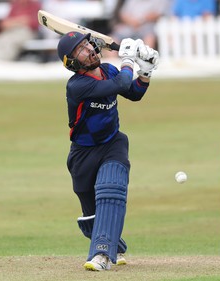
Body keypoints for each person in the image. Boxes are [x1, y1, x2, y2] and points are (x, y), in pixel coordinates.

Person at [56, 31, 158, 271]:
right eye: (80, 49)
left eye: (87, 44)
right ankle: (115, 245)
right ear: (72, 63)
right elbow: (122, 82)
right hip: (83, 154)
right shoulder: (78, 86)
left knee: (111, 191)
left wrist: (146, 71)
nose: (89, 49)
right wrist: (128, 60)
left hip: (113, 143)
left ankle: (101, 255)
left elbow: (133, 93)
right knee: (91, 218)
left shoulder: (109, 71)